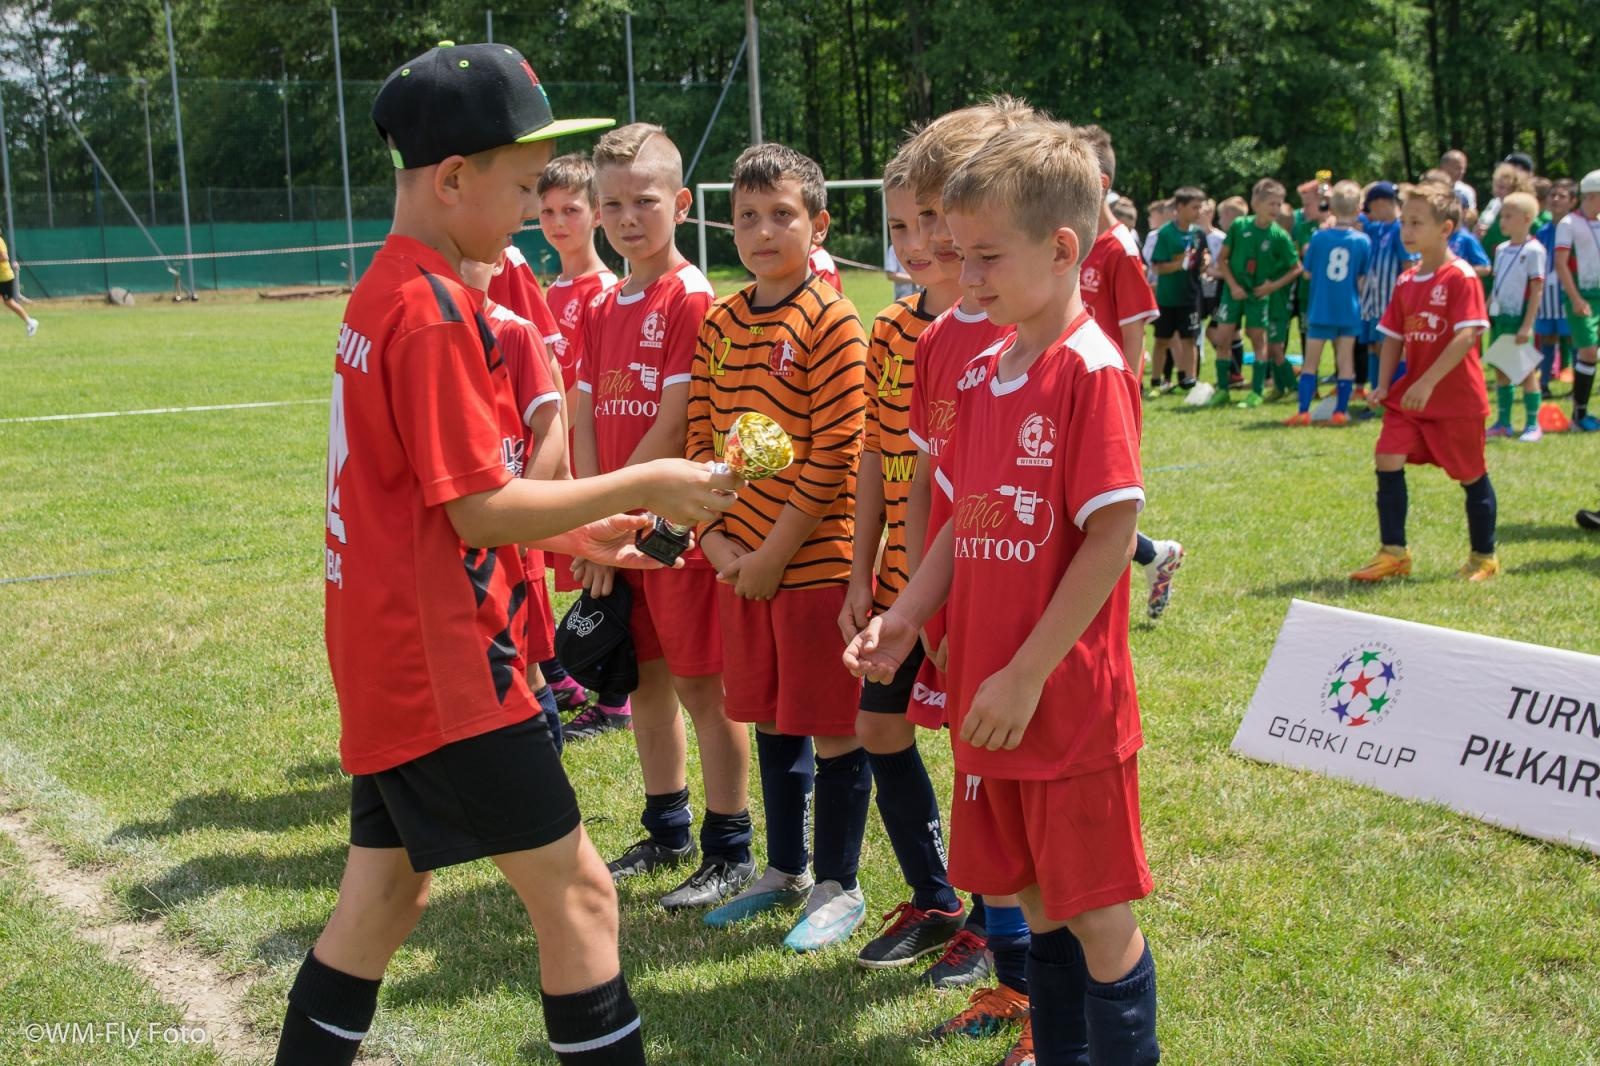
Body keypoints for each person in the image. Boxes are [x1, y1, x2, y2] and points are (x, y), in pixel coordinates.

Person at [281, 42, 742, 1066]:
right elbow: (481, 511)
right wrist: (646, 484)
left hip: (392, 648)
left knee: (384, 896)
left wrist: (582, 533)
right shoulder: (433, 311)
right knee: (579, 895)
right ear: (451, 179)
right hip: (445, 662)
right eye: (523, 183)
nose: (538, 202)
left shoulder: (392, 289)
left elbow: (433, 502)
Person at [847, 119, 1160, 1066]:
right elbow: (954, 519)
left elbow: (1109, 536)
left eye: (984, 258)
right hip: (989, 694)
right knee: (1038, 908)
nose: (962, 278)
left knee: (1096, 919)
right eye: (952, 255)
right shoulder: (982, 370)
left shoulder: (1091, 371)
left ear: (1063, 249)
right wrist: (905, 619)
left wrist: (1027, 672)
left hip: (1058, 705)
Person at [689, 143, 873, 953]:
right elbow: (703, 438)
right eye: (747, 216)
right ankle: (784, 869)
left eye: (783, 215)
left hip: (811, 568)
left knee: (830, 726)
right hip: (739, 564)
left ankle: (838, 884)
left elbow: (838, 454)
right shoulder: (722, 322)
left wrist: (768, 555)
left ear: (818, 223)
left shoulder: (832, 319)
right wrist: (719, 539)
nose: (763, 231)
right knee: (769, 719)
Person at [568, 122, 755, 908]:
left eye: (644, 200)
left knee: (700, 689)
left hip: (673, 530)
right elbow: (580, 418)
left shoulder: (692, 296)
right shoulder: (602, 304)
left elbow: (677, 421)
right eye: (611, 204)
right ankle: (667, 827)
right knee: (640, 683)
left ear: (679, 203)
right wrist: (589, 520)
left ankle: (730, 845)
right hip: (617, 529)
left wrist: (614, 511)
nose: (627, 218)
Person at [893, 101, 1039, 1049]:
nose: (935, 242)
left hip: (1022, 616)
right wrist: (915, 599)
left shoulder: (1040, 341)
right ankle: (1012, 971)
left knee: (1033, 813)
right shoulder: (941, 340)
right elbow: (926, 475)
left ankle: (1040, 990)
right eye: (918, 224)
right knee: (979, 789)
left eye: (941, 220)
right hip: (954, 602)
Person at [839, 140, 969, 976]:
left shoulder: (1003, 327)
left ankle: (999, 925)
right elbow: (878, 460)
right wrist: (860, 573)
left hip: (973, 583)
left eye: (930, 218)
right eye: (899, 224)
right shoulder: (891, 329)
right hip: (898, 583)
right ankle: (936, 897)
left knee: (977, 752)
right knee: (877, 726)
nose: (916, 239)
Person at [1350, 182, 1497, 584]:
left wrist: (1429, 382)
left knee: (1471, 475)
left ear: (1446, 228)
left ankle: (1484, 556)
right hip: (1410, 399)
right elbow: (1393, 336)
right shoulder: (1407, 280)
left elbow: (1468, 335)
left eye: (1416, 223)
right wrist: (1382, 384)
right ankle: (1393, 553)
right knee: (1387, 456)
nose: (1406, 231)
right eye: (1403, 223)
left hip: (1457, 401)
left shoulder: (1461, 277)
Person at [1076, 124, 1186, 620]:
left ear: (1096, 184)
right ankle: (1155, 554)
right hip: (1071, 389)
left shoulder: (1120, 248)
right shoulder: (1075, 243)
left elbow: (1135, 332)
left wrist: (1128, 399)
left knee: (1092, 509)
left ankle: (1144, 559)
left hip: (1105, 395)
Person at [459, 256, 569, 750]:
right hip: (460, 540)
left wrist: (524, 513)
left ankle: (548, 778)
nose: (461, 266)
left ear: (498, 259)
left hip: (512, 540)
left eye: (473, 257)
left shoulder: (514, 330)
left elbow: (552, 429)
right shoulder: (437, 331)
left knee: (526, 667)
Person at [533, 152, 619, 716]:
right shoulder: (550, 290)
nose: (558, 222)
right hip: (554, 452)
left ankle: (614, 699)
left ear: (594, 215)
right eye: (547, 211)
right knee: (559, 568)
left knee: (602, 570)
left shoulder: (605, 289)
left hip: (587, 453)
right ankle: (562, 672)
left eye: (571, 209)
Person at [1211, 178, 1302, 407]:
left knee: (1258, 340)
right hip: (1233, 292)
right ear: (1256, 203)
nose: (1275, 209)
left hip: (1259, 296)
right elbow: (1222, 259)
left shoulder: (1279, 235)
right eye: (1271, 203)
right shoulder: (1239, 226)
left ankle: (1257, 392)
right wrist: (1232, 285)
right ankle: (1222, 390)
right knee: (1223, 339)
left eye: (1279, 204)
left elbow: (1297, 268)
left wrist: (1272, 286)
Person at [1290, 180, 1370, 427]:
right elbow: (1361, 278)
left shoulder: (1319, 238)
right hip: (1348, 308)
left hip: (1321, 307)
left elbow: (1307, 272)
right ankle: (1339, 411)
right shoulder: (1362, 241)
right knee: (1345, 360)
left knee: (1311, 361)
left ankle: (1303, 411)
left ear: (1331, 207)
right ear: (1359, 209)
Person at [1484, 191, 1547, 442]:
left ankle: (1533, 424)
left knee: (1525, 372)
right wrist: (1485, 310)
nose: (1503, 221)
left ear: (1526, 218)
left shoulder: (1534, 251)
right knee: (1501, 370)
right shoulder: (1501, 249)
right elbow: (1497, 284)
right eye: (1502, 216)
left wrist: (1527, 325)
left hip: (1519, 319)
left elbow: (1536, 289)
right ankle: (1503, 422)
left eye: (1509, 216)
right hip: (1501, 318)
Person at [1359, 181, 1417, 395]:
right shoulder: (1380, 228)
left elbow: (1408, 265)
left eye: (1371, 208)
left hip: (1391, 300)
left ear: (1382, 203)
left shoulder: (1400, 229)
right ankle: (1376, 393)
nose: (1370, 213)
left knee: (1391, 349)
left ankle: (1395, 393)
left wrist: (1406, 297)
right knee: (1373, 345)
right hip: (1375, 301)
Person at [1553, 170, 1600, 432]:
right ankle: (1579, 415)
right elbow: (1561, 264)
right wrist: (1576, 298)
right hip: (1581, 294)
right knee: (1588, 351)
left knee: (1591, 353)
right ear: (1593, 196)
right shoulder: (1569, 223)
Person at [1148, 186, 1207, 391]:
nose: (1198, 212)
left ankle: (1189, 379)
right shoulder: (1166, 233)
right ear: (1180, 207)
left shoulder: (1199, 234)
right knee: (1162, 339)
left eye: (1200, 207)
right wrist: (1180, 263)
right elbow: (1158, 267)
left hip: (1190, 296)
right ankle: (1156, 380)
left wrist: (1203, 262)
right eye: (1194, 207)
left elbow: (1201, 261)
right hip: (1167, 297)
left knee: (1190, 338)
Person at [1534, 178, 1577, 396]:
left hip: (1567, 290)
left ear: (1572, 201)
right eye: (1553, 195)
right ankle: (1544, 382)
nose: (1555, 199)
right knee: (1547, 336)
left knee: (1573, 336)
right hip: (1546, 294)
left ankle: (1577, 385)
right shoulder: (1542, 231)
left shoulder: (1575, 229)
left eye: (1562, 196)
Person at [0, 234, 37, 336]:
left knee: (9, 302)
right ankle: (30, 322)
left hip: (5, 278)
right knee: (8, 302)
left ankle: (30, 322)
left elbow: (4, 257)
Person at [1441, 148, 1477, 213]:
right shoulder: (1429, 189)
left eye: (1463, 169)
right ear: (1444, 167)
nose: (1462, 172)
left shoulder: (1467, 191)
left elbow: (1472, 217)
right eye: (1458, 168)